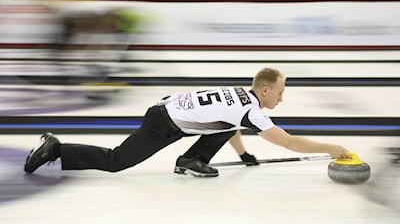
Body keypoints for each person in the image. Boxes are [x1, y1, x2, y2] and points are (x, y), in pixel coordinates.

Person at [24, 67, 351, 177]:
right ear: (264, 90)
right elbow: (289, 141)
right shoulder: (252, 110)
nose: (281, 98)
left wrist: (243, 155)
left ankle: (190, 160)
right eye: (279, 92)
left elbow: (228, 127)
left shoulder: (238, 95)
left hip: (168, 112)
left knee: (226, 126)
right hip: (164, 122)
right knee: (117, 161)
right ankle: (56, 149)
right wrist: (331, 148)